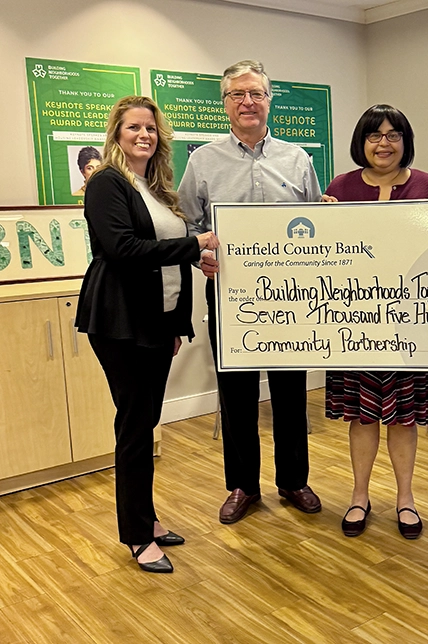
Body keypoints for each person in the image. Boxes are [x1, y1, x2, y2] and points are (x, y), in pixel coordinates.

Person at [76, 96, 219, 573]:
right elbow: (125, 249)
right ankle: (138, 535)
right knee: (136, 427)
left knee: (143, 423)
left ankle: (147, 518)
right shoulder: (107, 184)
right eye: (134, 127)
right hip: (120, 322)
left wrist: (178, 316)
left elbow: (168, 258)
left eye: (151, 129)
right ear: (116, 133)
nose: (144, 135)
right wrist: (195, 242)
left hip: (157, 324)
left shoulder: (155, 187)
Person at [179, 60, 323, 525]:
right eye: (237, 94)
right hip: (229, 295)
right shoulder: (202, 161)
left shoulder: (298, 159)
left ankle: (293, 480)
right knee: (237, 393)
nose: (247, 102)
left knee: (289, 393)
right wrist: (199, 255)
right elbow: (188, 225)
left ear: (269, 100)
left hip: (291, 300)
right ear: (225, 103)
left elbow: (318, 226)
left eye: (256, 94)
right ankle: (243, 485)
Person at [323, 104, 428, 539]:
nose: (384, 143)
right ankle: (359, 495)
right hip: (354, 322)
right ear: (362, 142)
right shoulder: (340, 187)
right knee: (362, 415)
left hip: (410, 323)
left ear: (405, 141)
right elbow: (322, 256)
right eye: (375, 135)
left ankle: (406, 498)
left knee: (404, 416)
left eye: (394, 135)